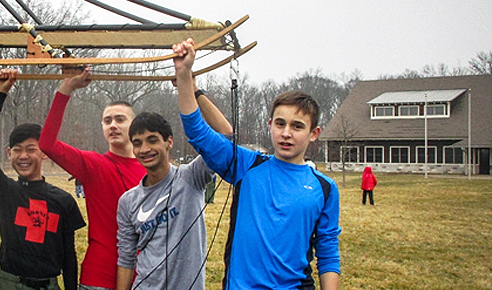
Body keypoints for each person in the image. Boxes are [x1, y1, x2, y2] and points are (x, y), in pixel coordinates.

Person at [173, 38, 342, 290]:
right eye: (280, 123)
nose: (286, 133)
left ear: (314, 133)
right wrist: (184, 75)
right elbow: (198, 132)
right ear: (270, 125)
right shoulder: (246, 165)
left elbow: (327, 251)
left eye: (297, 126)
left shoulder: (325, 188)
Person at [38, 68, 145, 290]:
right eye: (107, 121)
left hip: (145, 275)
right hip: (99, 277)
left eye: (120, 119)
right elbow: (47, 143)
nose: (113, 125)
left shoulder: (151, 170)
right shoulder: (93, 165)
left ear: (134, 125)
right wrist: (66, 89)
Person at [0, 69, 86, 290]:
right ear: (9, 153)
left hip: (48, 285)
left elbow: (69, 255)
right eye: (17, 150)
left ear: (44, 152)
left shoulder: (63, 201)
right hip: (9, 283)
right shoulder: (4, 192)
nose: (24, 156)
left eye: (31, 149)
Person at [115, 112, 216, 290]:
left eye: (152, 140)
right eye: (137, 143)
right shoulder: (128, 201)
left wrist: (193, 91)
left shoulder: (191, 178)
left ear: (169, 142)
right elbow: (126, 257)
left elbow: (224, 136)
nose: (144, 149)